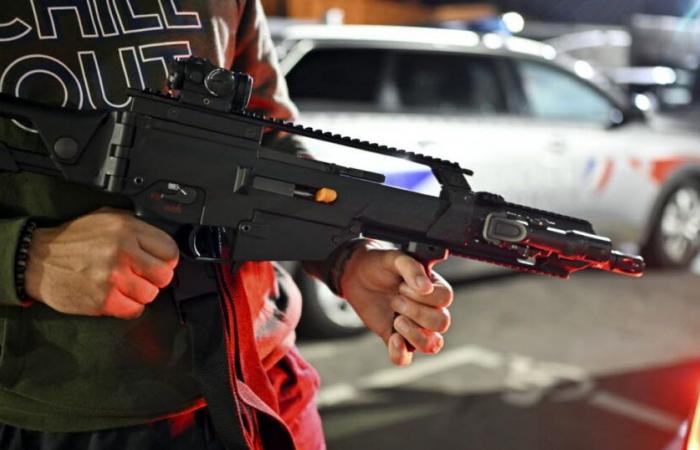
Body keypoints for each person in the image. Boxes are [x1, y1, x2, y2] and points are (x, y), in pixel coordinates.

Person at [0, 1, 454, 449]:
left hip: (261, 381)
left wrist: (343, 255)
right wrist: (26, 257)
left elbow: (264, 136)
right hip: (47, 413)